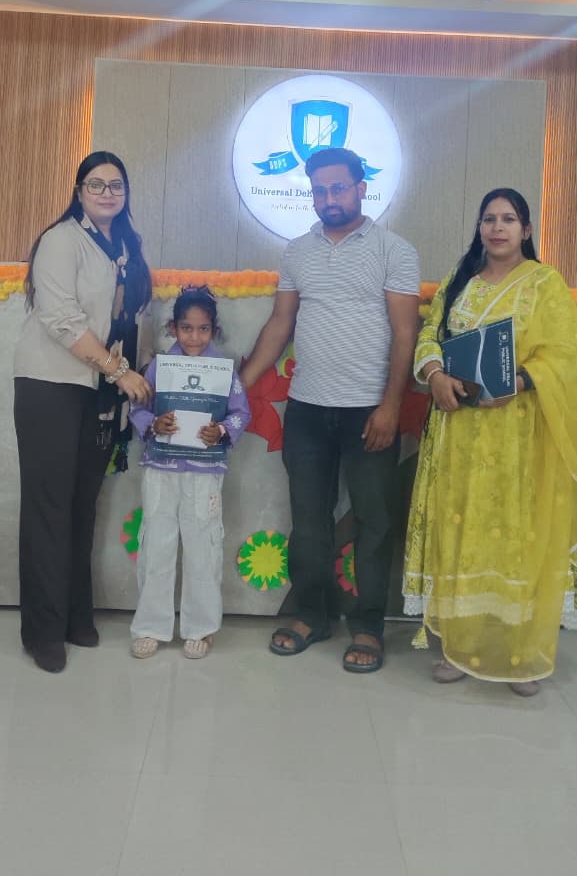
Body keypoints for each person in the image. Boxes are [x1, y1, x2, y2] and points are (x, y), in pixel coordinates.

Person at [241, 147, 420, 673]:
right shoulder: (298, 250)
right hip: (308, 411)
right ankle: (312, 615)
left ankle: (367, 626)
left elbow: (405, 334)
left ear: (361, 188)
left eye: (338, 188)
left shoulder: (394, 250)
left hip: (370, 412)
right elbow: (281, 323)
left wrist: (390, 406)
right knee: (310, 521)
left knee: (374, 523)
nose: (328, 198)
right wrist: (237, 386)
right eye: (319, 190)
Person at [403, 187, 577, 697]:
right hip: (459, 433)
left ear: (526, 229)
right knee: (463, 533)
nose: (497, 228)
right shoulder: (461, 282)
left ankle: (521, 652)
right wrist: (434, 375)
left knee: (516, 537)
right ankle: (460, 645)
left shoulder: (545, 284)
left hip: (520, 435)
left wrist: (519, 381)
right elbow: (430, 335)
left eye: (508, 219)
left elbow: (565, 355)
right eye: (488, 219)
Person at [14, 151, 152, 674]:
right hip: (50, 384)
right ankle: (43, 631)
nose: (107, 193)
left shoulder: (126, 245)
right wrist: (120, 372)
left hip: (99, 391)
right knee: (49, 507)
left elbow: (129, 317)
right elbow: (61, 318)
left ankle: (75, 614)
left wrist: (124, 376)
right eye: (96, 184)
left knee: (81, 505)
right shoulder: (61, 240)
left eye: (116, 185)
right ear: (78, 191)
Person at [129, 286, 250, 659]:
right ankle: (151, 626)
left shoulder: (223, 371)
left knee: (203, 548)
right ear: (173, 328)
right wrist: (154, 424)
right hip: (161, 468)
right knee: (156, 545)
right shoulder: (160, 367)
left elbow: (240, 412)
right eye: (186, 328)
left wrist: (222, 431)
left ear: (213, 330)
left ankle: (201, 628)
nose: (194, 337)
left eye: (202, 329)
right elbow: (139, 408)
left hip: (204, 470)